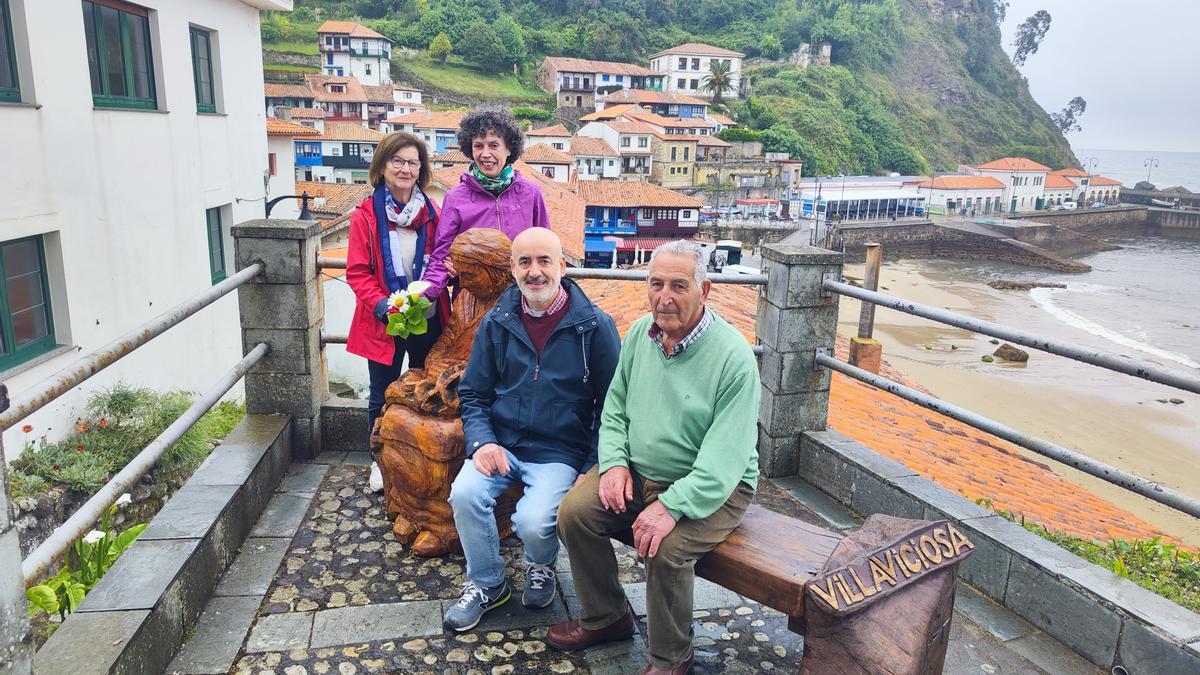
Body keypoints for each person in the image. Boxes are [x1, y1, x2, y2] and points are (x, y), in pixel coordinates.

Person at [547, 240, 761, 675]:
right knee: (574, 513)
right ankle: (607, 617)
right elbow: (616, 409)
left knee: (665, 549)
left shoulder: (733, 358)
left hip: (715, 487)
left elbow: (725, 459)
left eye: (679, 286)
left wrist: (673, 506)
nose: (664, 296)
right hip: (640, 472)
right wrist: (614, 463)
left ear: (706, 289)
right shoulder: (641, 335)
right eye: (656, 283)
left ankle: (670, 658)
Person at [442, 228, 621, 632]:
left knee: (536, 521)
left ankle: (541, 565)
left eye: (544, 261)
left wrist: (592, 465)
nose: (535, 272)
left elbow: (613, 405)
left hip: (560, 452)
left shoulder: (594, 327)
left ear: (563, 265)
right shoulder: (497, 322)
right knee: (464, 493)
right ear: (512, 268)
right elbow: (473, 393)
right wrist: (482, 441)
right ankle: (488, 584)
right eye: (525, 262)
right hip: (502, 444)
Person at [345, 131, 449, 494]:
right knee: (382, 393)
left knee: (425, 388)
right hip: (383, 322)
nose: (405, 168)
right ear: (384, 166)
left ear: (421, 169)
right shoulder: (366, 216)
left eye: (412, 162)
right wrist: (382, 305)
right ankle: (380, 461)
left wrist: (426, 293)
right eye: (398, 161)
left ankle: (420, 457)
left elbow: (441, 259)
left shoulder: (433, 214)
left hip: (428, 316)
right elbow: (357, 271)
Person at [420, 107, 550, 305]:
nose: (485, 154)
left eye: (494, 145)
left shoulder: (530, 194)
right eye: (478, 146)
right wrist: (422, 298)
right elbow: (441, 258)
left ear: (509, 149)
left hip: (521, 300)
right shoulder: (456, 198)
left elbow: (546, 246)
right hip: (472, 303)